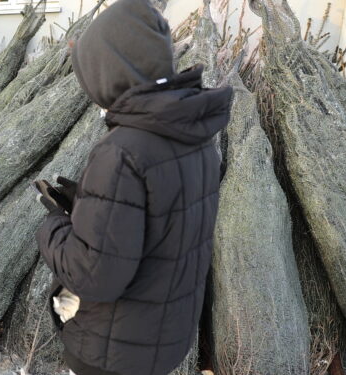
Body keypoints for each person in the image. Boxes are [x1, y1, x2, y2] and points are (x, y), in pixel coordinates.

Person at [34, 0, 233, 374]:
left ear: (111, 71)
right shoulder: (195, 137)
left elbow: (93, 276)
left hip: (113, 352)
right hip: (164, 340)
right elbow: (162, 226)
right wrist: (88, 207)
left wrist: (54, 226)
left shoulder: (122, 151)